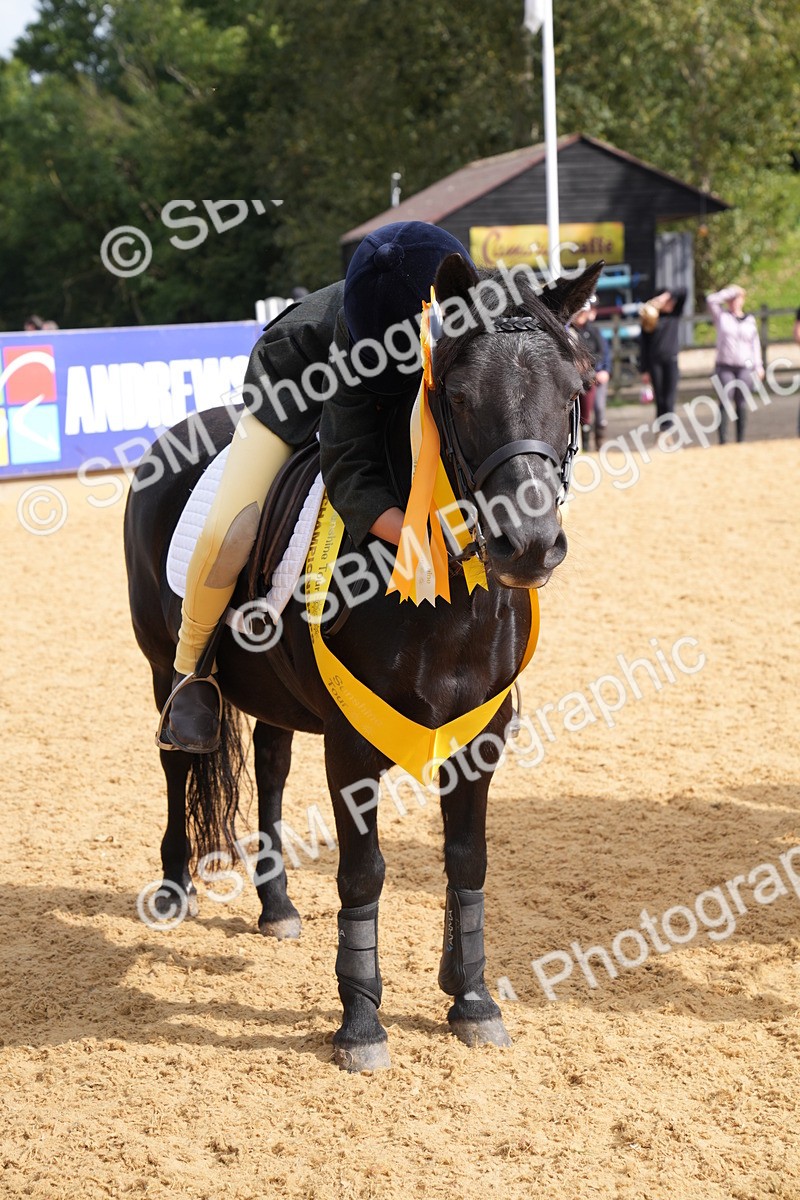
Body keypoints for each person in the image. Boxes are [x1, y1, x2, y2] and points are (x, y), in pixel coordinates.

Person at [166, 221, 471, 752]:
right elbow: (349, 465)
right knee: (229, 531)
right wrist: (413, 534)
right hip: (295, 389)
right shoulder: (352, 344)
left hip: (410, 374)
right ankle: (191, 671)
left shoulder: (479, 294)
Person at [706, 284, 764, 444]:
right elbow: (710, 300)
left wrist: (758, 366)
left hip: (745, 366)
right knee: (725, 398)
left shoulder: (750, 320)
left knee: (741, 401)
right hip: (725, 365)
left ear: (743, 300)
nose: (733, 302)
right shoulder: (722, 317)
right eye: (731, 299)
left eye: (736, 298)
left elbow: (755, 344)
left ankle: (740, 439)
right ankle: (723, 440)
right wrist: (728, 292)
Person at [639, 288, 687, 429]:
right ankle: (661, 430)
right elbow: (644, 346)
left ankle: (669, 428)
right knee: (660, 399)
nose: (671, 303)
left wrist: (667, 295)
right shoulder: (650, 319)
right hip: (655, 363)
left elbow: (684, 292)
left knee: (669, 398)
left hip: (671, 361)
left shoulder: (674, 315)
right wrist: (644, 370)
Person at [569, 299, 610, 449]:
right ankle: (584, 445)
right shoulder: (571, 332)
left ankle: (600, 441)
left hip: (595, 376)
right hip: (580, 378)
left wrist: (602, 370)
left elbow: (603, 352)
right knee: (582, 413)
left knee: (599, 408)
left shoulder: (594, 331)